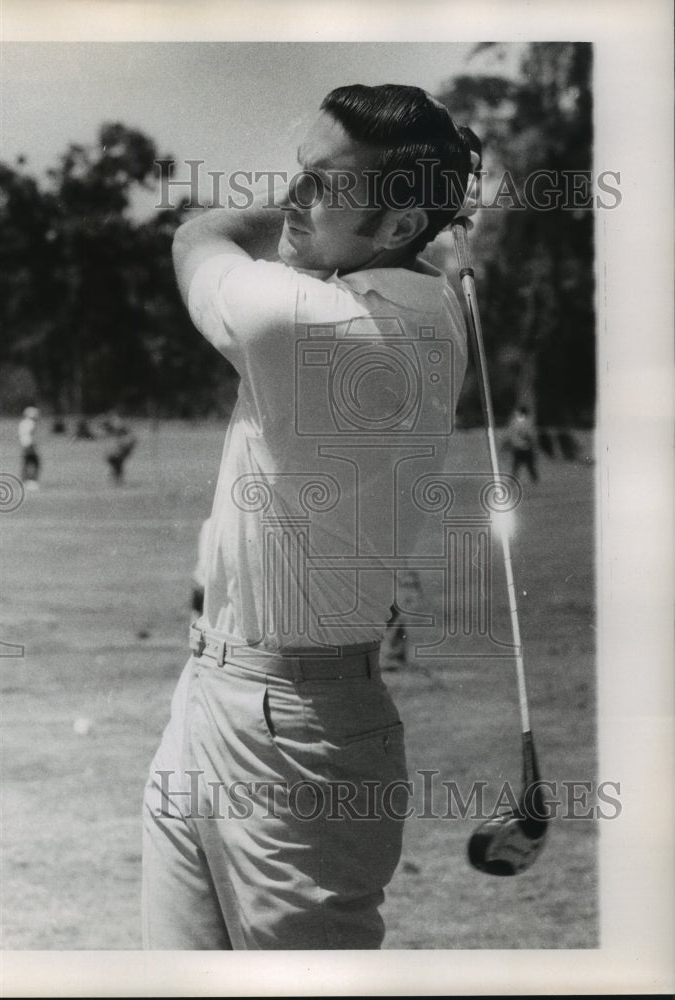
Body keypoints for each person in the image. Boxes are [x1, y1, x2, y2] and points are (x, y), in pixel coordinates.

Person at [141, 84, 478, 950]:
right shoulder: (435, 308)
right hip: (219, 693)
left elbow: (195, 234)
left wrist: (401, 209)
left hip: (294, 736)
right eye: (297, 174)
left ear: (399, 226)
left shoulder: (297, 319)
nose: (293, 198)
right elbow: (370, 249)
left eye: (321, 185)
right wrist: (399, 213)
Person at [103, 410, 138, 484]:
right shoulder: (119, 427)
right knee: (117, 464)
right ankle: (116, 478)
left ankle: (116, 479)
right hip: (118, 450)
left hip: (120, 450)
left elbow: (131, 440)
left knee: (117, 464)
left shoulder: (120, 427)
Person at [506, 404, 539, 482]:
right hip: (524, 447)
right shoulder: (527, 422)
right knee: (527, 465)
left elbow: (512, 435)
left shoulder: (516, 422)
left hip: (519, 447)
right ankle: (534, 479)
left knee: (518, 465)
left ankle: (514, 480)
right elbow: (531, 435)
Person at [18, 406, 41, 489]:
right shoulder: (30, 423)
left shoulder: (22, 423)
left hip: (24, 445)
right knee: (35, 463)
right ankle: (32, 481)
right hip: (29, 445)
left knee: (26, 463)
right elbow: (31, 434)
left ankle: (25, 481)